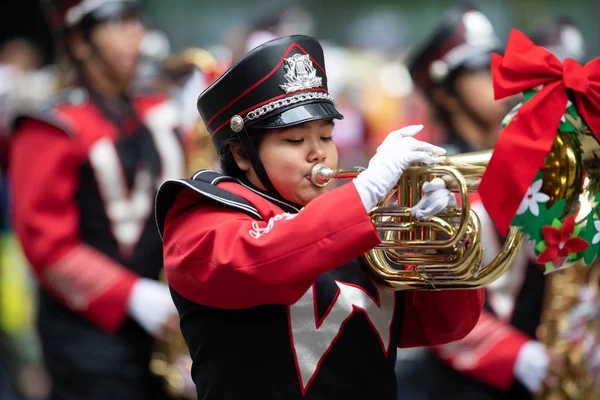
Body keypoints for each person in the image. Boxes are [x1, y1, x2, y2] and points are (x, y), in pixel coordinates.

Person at [154, 34, 485, 400]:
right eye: (295, 141)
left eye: (326, 137)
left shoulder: (352, 219)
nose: (319, 155)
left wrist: (441, 244)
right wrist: (366, 194)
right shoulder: (199, 213)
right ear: (242, 154)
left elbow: (442, 326)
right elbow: (262, 257)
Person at [9, 0, 185, 399]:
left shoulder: (157, 108)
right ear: (80, 42)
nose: (134, 36)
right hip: (87, 336)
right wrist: (132, 295)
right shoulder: (51, 126)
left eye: (135, 20)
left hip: (167, 322)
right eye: (116, 23)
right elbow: (45, 245)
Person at [395, 5, 568, 400]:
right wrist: (519, 356)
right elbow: (434, 303)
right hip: (462, 385)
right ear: (446, 94)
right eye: (480, 70)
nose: (500, 78)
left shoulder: (529, 155)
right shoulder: (426, 181)